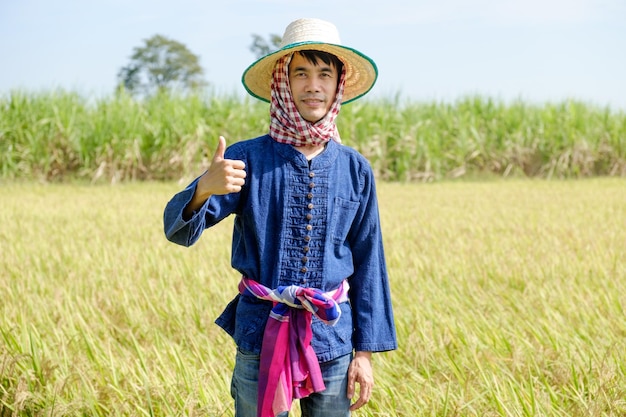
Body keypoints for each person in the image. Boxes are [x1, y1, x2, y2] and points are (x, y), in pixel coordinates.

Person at [163, 17, 397, 417]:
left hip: (333, 341)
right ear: (283, 82)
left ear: (338, 83)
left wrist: (365, 352)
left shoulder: (355, 169)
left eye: (325, 74)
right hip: (260, 336)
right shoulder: (247, 159)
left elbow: (369, 261)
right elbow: (177, 230)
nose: (313, 85)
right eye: (301, 73)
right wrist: (204, 185)